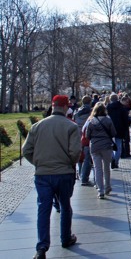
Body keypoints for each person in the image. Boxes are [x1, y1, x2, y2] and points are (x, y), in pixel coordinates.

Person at [22, 95, 80, 258]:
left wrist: (39, 163)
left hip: (43, 174)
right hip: (64, 173)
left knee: (43, 209)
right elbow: (75, 152)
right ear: (65, 107)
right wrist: (69, 163)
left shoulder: (37, 126)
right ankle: (66, 237)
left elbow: (26, 150)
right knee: (65, 206)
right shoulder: (71, 126)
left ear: (52, 106)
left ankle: (41, 247)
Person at [84, 102, 117, 199]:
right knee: (106, 168)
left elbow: (87, 135)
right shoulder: (108, 120)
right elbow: (113, 133)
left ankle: (100, 190)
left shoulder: (91, 121)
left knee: (97, 169)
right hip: (106, 146)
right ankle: (107, 187)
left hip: (94, 146)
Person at [106, 93, 130, 169]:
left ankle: (112, 158)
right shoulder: (123, 108)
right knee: (119, 147)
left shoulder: (108, 107)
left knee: (110, 146)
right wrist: (125, 130)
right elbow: (126, 121)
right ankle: (116, 162)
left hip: (109, 129)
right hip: (120, 129)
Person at [74, 95, 93, 186]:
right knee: (87, 157)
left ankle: (80, 171)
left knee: (80, 156)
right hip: (86, 136)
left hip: (77, 134)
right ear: (90, 102)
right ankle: (84, 176)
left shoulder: (77, 112)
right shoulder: (91, 112)